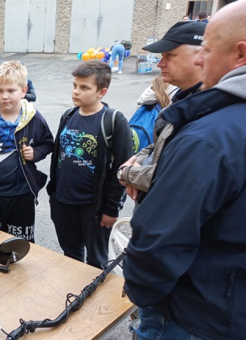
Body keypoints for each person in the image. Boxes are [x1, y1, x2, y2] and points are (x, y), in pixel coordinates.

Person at [123, 2, 246, 338]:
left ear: (240, 55)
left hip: (191, 312)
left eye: (206, 50)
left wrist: (143, 293)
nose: (201, 59)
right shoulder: (197, 111)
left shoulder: (211, 136)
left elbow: (162, 236)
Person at [46, 61, 132, 269]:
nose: (76, 92)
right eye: (75, 85)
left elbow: (121, 169)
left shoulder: (114, 120)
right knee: (70, 256)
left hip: (93, 208)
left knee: (96, 261)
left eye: (84, 88)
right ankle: (74, 297)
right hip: (63, 203)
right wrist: (54, 194)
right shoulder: (68, 116)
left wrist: (111, 209)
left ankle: (95, 300)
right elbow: (58, 157)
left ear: (101, 92)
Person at [119, 21, 206, 203]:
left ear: (200, 56)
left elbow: (179, 175)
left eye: (170, 55)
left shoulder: (208, 111)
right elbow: (160, 144)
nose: (160, 64)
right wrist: (138, 158)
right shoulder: (182, 100)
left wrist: (127, 173)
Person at [0, 61, 53, 242]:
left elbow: (48, 143)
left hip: (21, 194)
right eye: (0, 91)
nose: (4, 96)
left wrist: (35, 153)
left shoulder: (34, 118)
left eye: (11, 91)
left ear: (23, 90)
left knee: (19, 244)